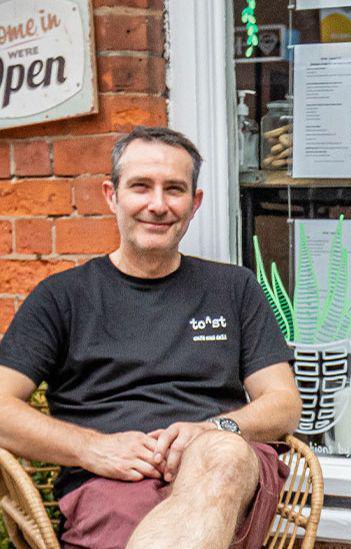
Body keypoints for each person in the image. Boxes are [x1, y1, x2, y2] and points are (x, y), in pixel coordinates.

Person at [0, 126, 302, 549]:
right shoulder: (62, 297)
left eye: (174, 189)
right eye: (141, 187)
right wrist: (93, 449)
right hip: (112, 480)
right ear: (112, 195)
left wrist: (217, 427)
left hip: (229, 473)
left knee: (224, 454)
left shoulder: (234, 288)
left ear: (194, 203)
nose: (157, 205)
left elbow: (284, 403)